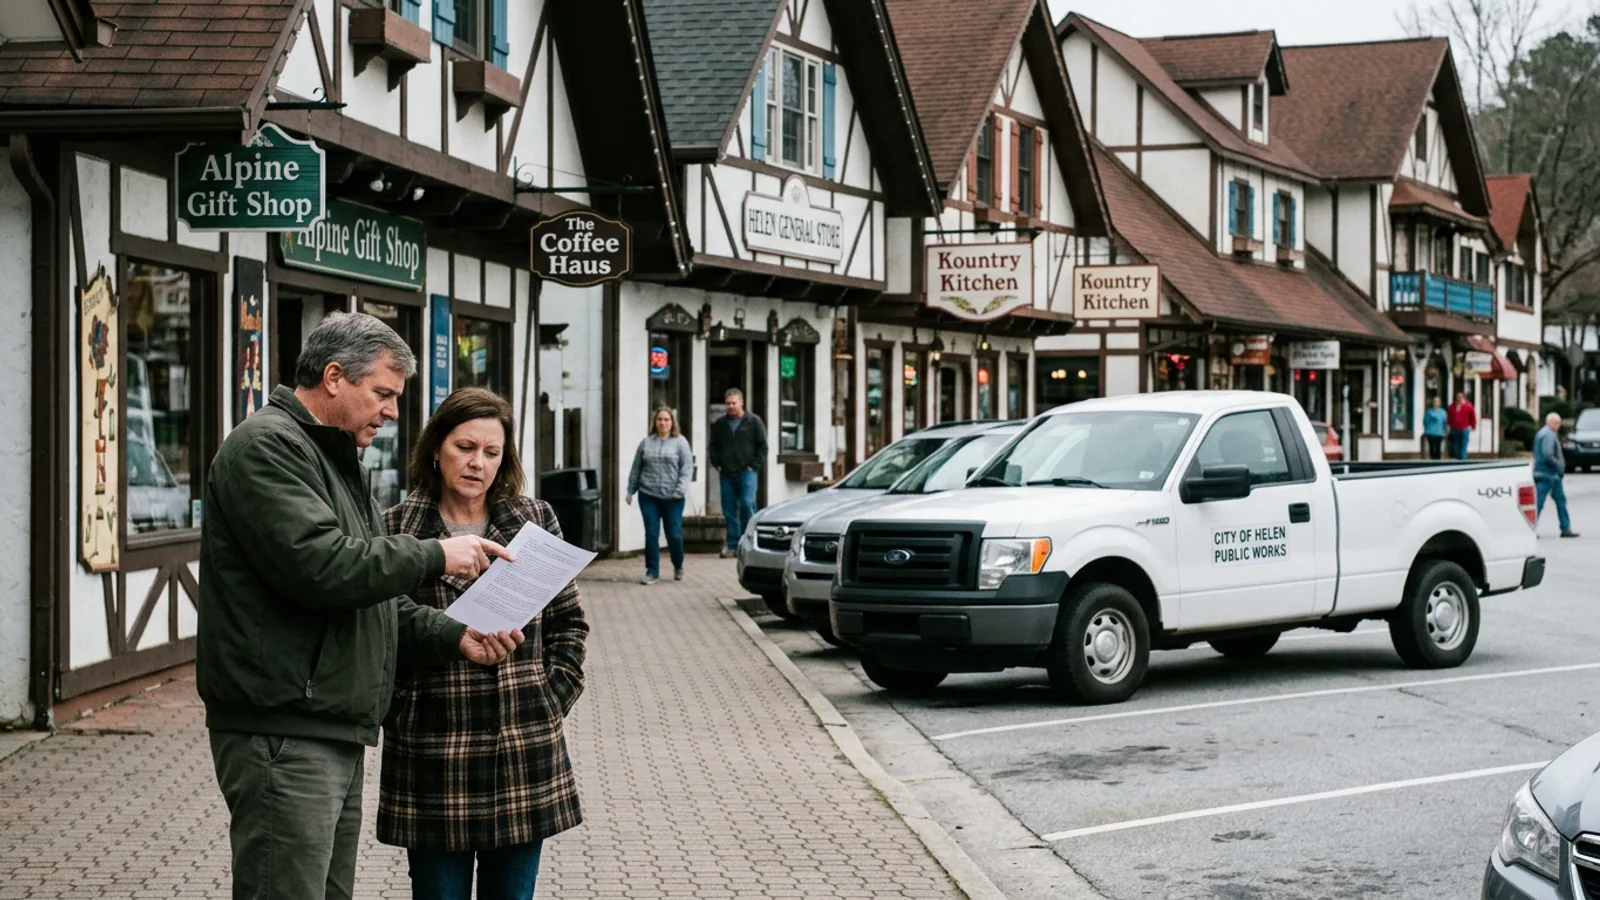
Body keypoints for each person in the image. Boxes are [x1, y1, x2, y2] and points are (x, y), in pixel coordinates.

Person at [196, 313, 524, 900]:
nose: (393, 412)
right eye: (383, 393)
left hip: (324, 726)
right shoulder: (267, 449)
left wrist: (456, 634)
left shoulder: (332, 460)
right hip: (284, 732)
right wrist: (436, 555)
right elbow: (323, 567)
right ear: (333, 378)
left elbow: (373, 599)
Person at [381, 387, 590, 900]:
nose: (477, 463)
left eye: (491, 453)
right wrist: (402, 710)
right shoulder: (397, 530)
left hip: (521, 750)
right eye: (464, 447)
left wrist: (548, 698)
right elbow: (381, 634)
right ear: (436, 448)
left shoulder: (533, 521)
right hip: (433, 753)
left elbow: (570, 624)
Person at [626, 406, 694, 584]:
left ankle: (678, 564)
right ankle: (652, 571)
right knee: (651, 533)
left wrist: (680, 490)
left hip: (673, 497)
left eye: (666, 420)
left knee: (674, 534)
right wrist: (630, 490)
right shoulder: (646, 443)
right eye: (659, 419)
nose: (663, 423)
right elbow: (636, 467)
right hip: (649, 495)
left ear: (672, 423)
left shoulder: (680, 442)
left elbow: (687, 469)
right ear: (655, 422)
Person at [707, 387, 767, 558]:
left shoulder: (753, 421)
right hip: (726, 472)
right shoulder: (720, 424)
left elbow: (763, 446)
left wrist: (753, 465)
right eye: (728, 404)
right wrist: (717, 464)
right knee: (729, 509)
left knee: (747, 504)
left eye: (734, 403)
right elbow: (713, 447)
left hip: (747, 471)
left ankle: (748, 542)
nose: (731, 406)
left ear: (741, 402)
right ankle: (732, 544)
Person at [1533, 411, 1579, 538]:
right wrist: (1558, 465)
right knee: (1540, 502)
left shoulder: (1542, 433)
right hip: (1548, 474)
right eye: (1556, 423)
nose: (1558, 425)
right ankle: (1531, 529)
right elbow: (1548, 454)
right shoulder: (1549, 435)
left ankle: (1565, 528)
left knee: (1559, 500)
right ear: (1551, 422)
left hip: (1547, 474)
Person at [1448, 391, 1477, 460]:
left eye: (1461, 397)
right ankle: (1458, 461)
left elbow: (1472, 417)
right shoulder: (1452, 406)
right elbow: (1449, 417)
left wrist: (1473, 426)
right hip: (1455, 429)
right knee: (1456, 447)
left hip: (1464, 429)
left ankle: (1463, 462)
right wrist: (1449, 425)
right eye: (1458, 397)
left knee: (1463, 447)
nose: (1459, 398)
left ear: (1463, 397)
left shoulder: (1468, 406)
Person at [1422, 395, 1447, 460]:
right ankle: (1432, 462)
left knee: (1438, 449)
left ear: (1439, 403)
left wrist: (1445, 431)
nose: (1436, 403)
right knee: (1431, 449)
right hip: (1430, 433)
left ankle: (1438, 463)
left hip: (1439, 433)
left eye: (1437, 401)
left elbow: (1445, 422)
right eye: (1434, 401)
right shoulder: (1429, 412)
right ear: (1433, 402)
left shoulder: (1443, 412)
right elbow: (1425, 422)